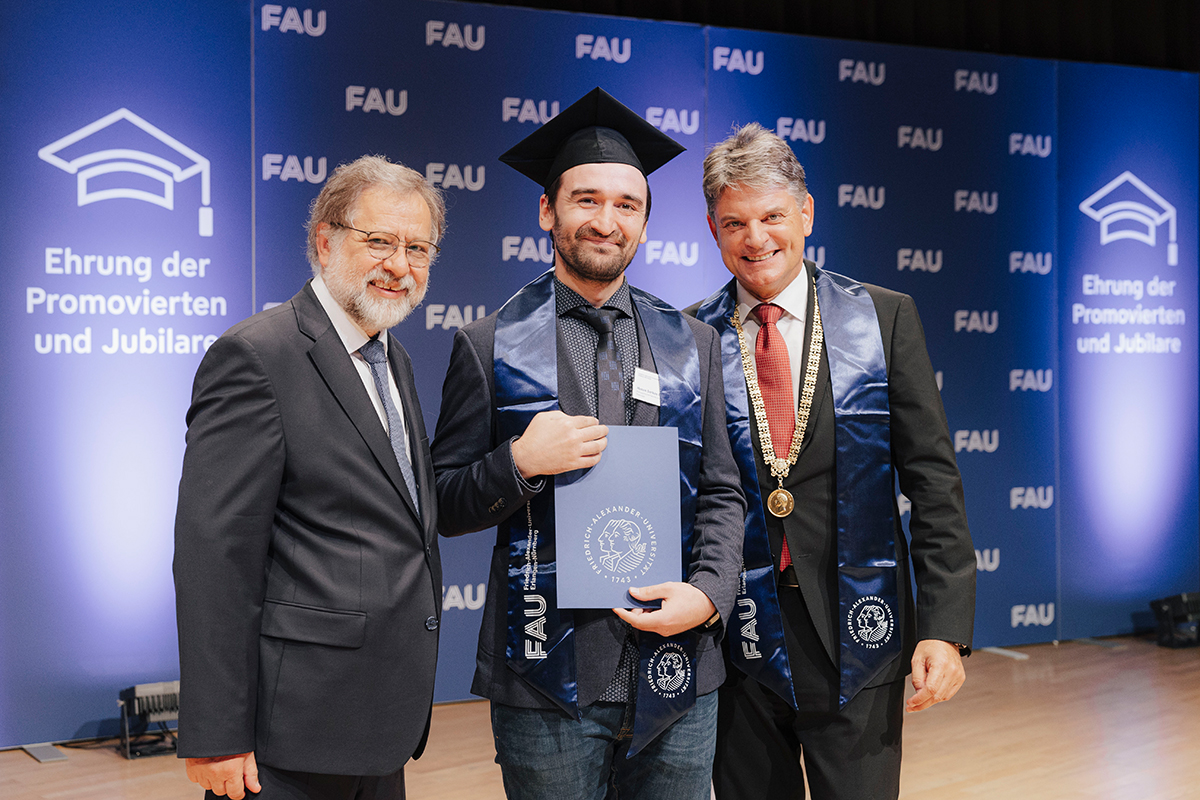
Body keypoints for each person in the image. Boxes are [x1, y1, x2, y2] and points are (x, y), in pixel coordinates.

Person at [430, 88, 745, 800]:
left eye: (626, 205)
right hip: (546, 678)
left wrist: (712, 594)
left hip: (678, 670)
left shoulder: (694, 343)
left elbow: (724, 491)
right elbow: (442, 501)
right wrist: (516, 465)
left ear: (644, 223)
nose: (606, 222)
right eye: (586, 200)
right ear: (548, 211)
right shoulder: (487, 346)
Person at [688, 123, 976, 799]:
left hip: (859, 629)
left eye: (772, 216)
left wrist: (944, 630)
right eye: (734, 223)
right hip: (737, 638)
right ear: (711, 229)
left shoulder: (883, 319)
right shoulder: (689, 336)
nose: (755, 239)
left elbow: (933, 482)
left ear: (807, 213)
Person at [173, 155, 445, 800]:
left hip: (379, 722)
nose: (399, 265)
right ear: (325, 242)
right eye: (378, 241)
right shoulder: (256, 357)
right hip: (290, 732)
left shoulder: (391, 356)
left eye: (418, 248)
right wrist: (216, 732)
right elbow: (215, 555)